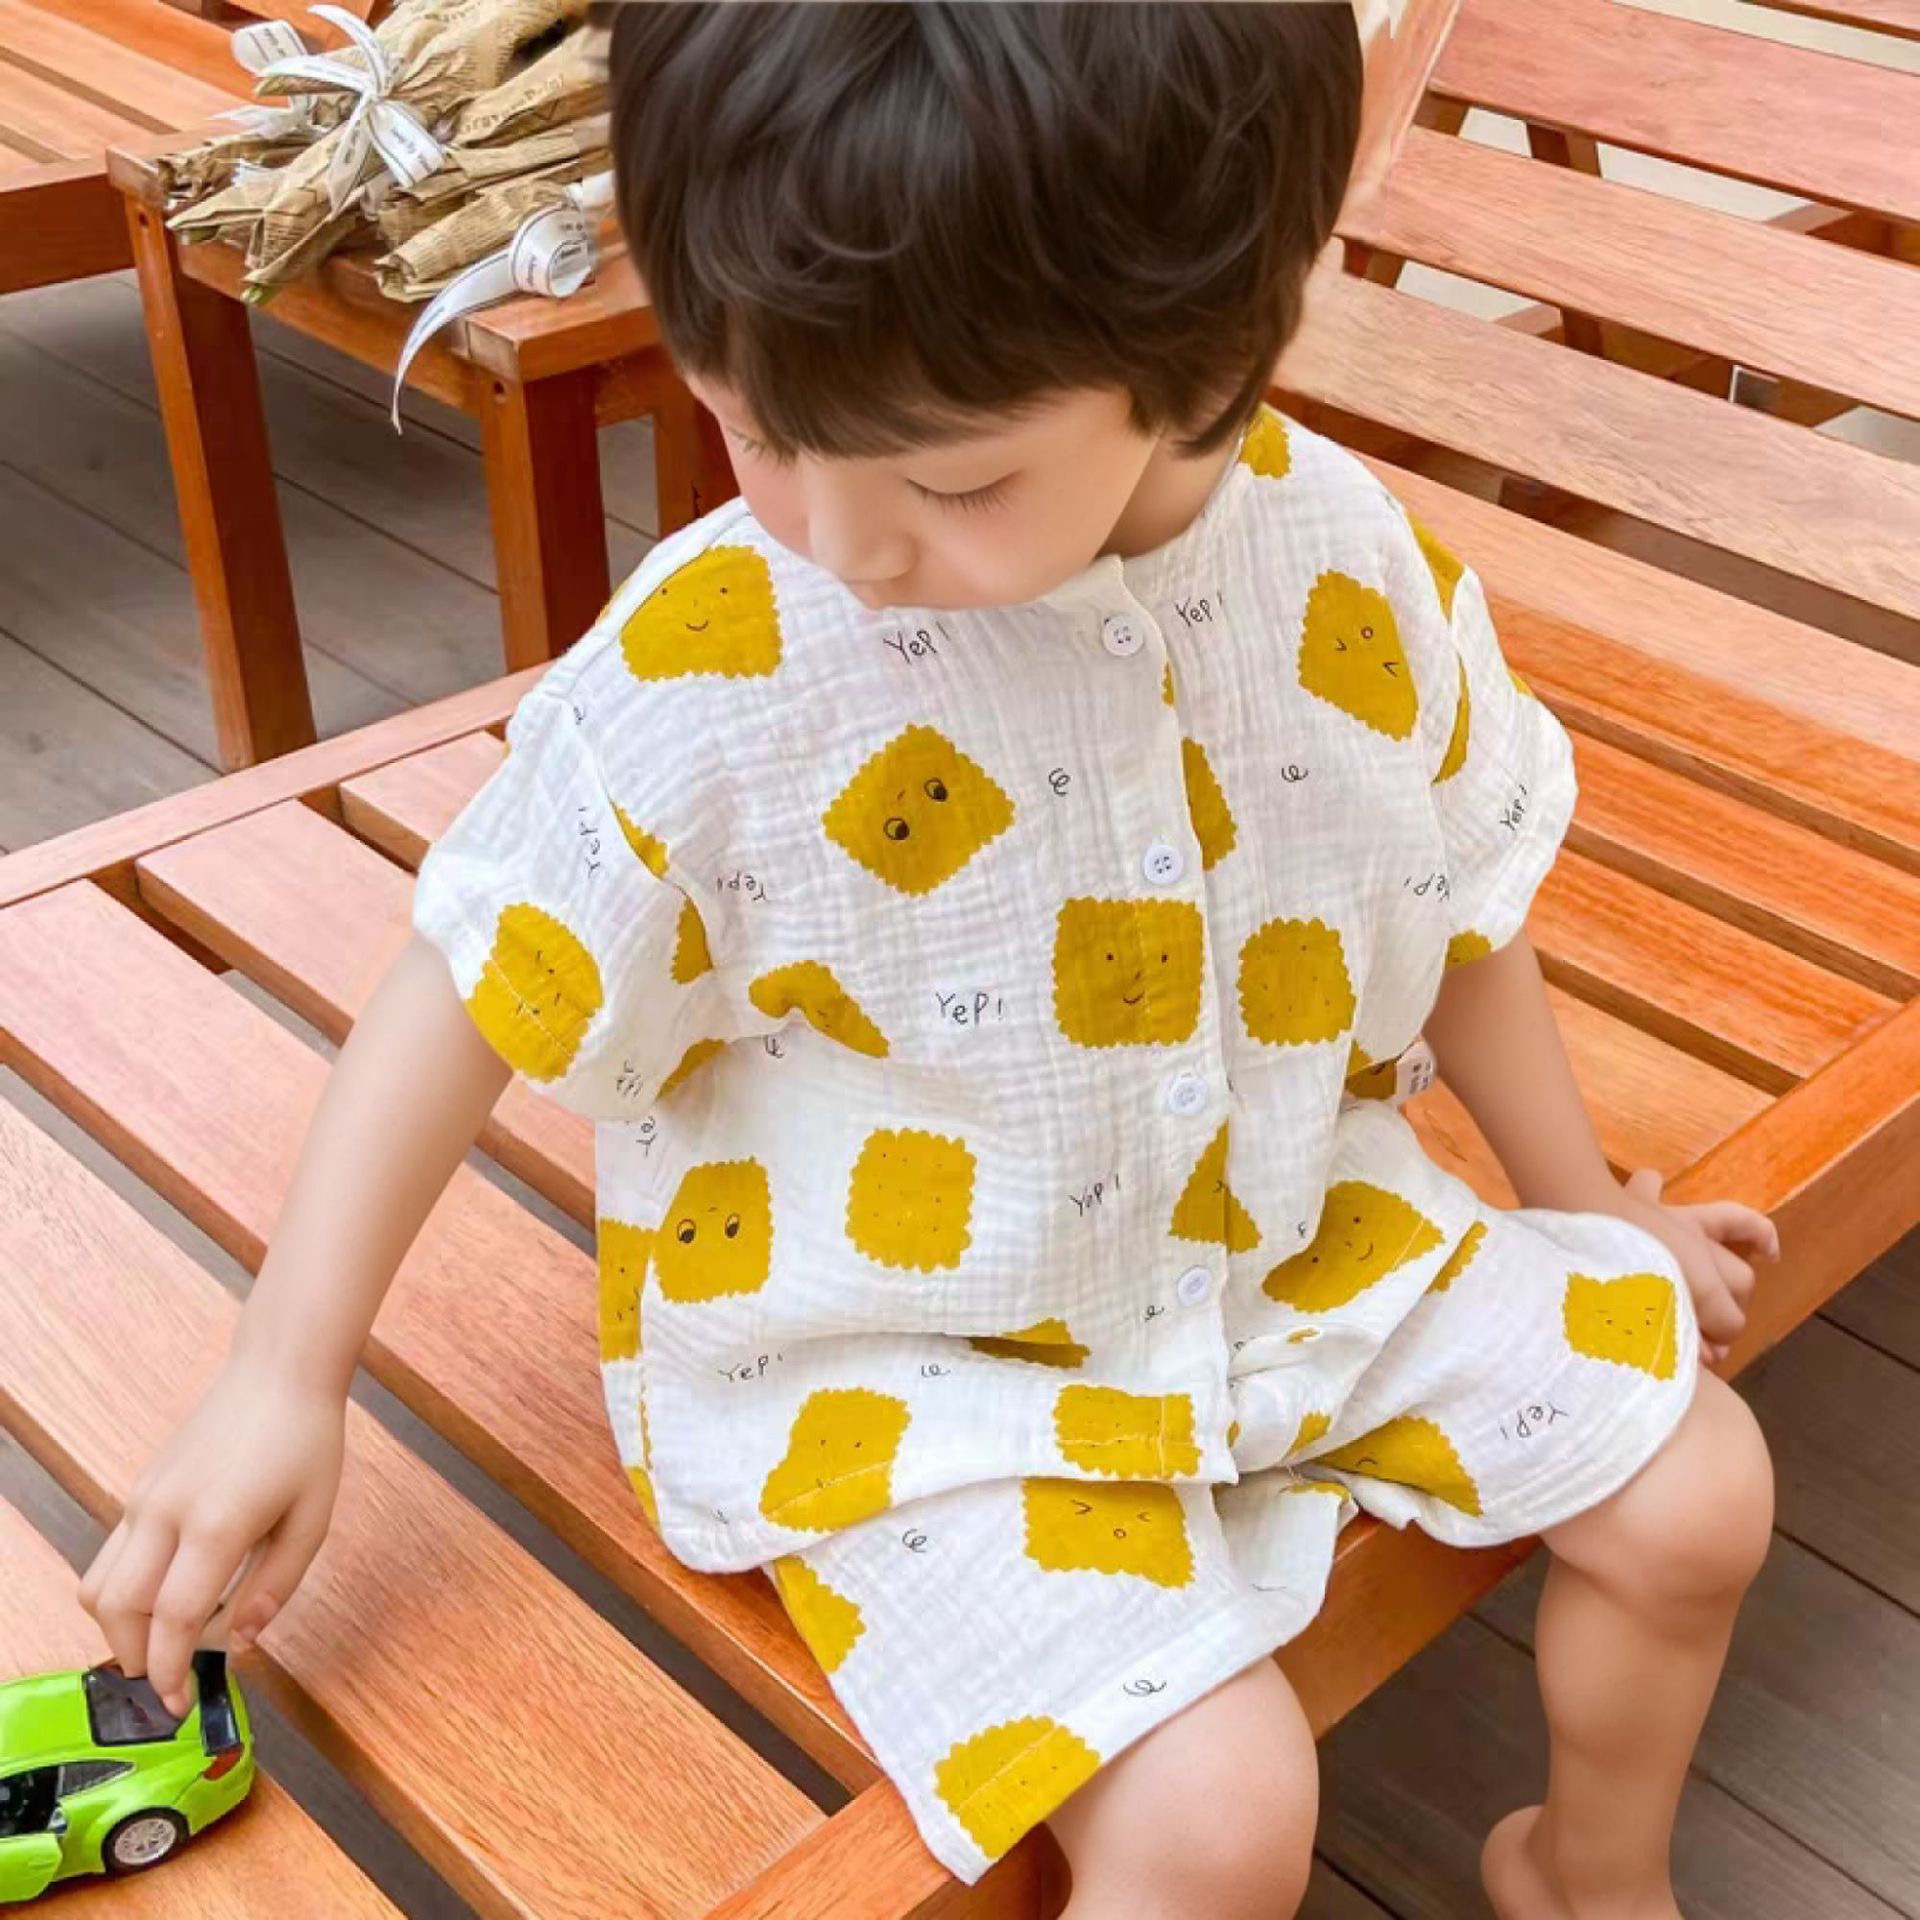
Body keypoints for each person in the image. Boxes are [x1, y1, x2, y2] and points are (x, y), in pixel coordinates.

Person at [77, 6, 1782, 1915]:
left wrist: (1584, 1209)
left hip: (1293, 1244)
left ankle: (1590, 1877)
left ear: (1215, 359)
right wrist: (283, 1375)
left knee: (1702, 1491)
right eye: (752, 425)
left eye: (955, 486)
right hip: (917, 1361)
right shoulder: (729, 656)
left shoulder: (1345, 560)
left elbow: (1456, 893)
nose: (842, 539)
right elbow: (473, 978)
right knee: (1219, 1818)